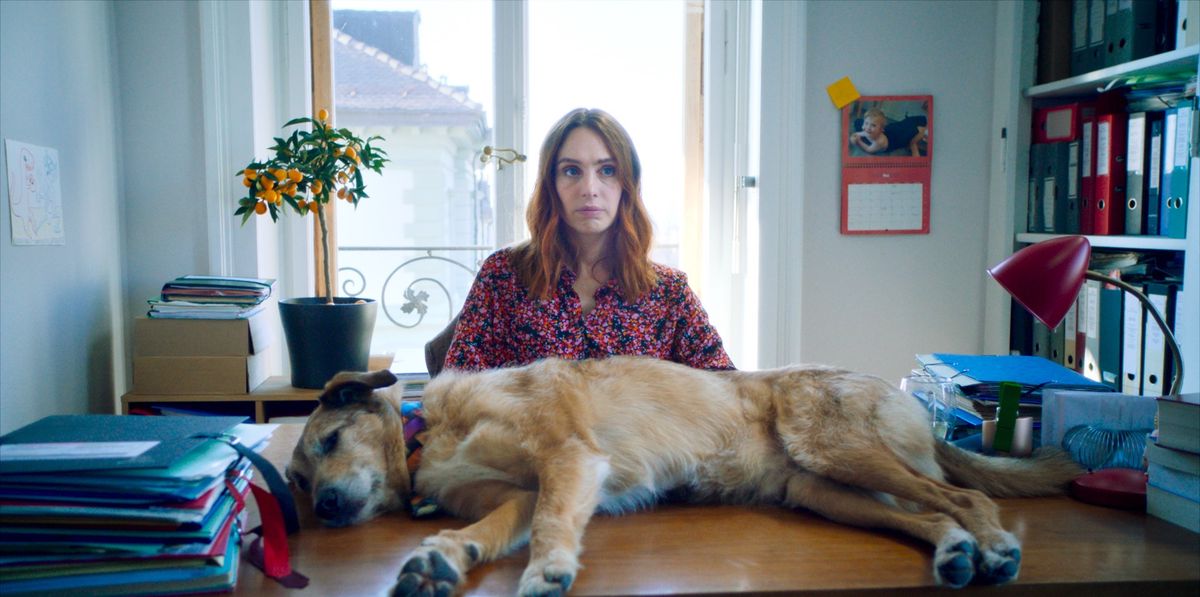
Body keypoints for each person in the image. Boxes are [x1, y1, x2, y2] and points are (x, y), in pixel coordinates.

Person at [443, 108, 734, 372]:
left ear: (627, 184)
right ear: (551, 184)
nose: (589, 188)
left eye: (607, 170)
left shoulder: (669, 292)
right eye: (571, 171)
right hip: (525, 418)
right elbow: (457, 389)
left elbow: (726, 388)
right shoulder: (502, 275)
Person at [850, 107, 928, 157]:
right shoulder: (868, 130)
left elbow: (869, 150)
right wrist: (853, 137)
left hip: (895, 139)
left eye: (873, 125)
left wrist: (859, 141)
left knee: (910, 129)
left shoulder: (879, 142)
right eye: (866, 123)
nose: (868, 128)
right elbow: (857, 134)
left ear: (881, 129)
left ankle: (914, 142)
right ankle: (872, 123)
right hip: (887, 131)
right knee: (858, 122)